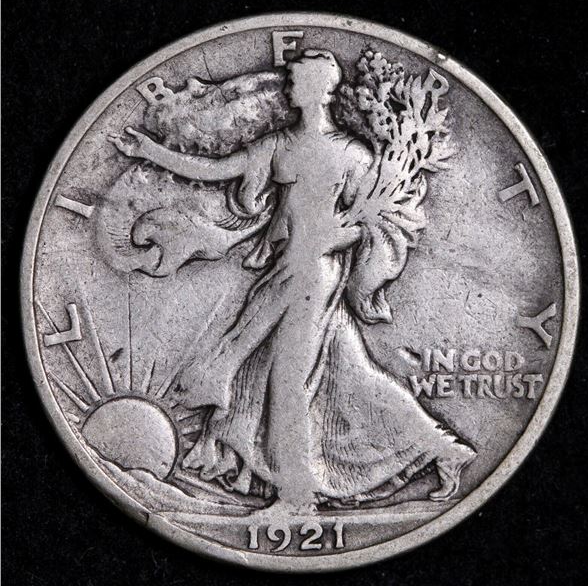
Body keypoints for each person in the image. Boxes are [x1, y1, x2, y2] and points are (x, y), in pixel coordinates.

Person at [110, 49, 475, 513]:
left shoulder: (353, 155)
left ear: (321, 89)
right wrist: (151, 152)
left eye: (298, 81)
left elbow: (378, 222)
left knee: (288, 384)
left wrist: (337, 237)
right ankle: (444, 448)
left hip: (316, 276)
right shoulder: (279, 145)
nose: (290, 87)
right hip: (285, 270)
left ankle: (297, 497)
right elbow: (218, 170)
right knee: (350, 375)